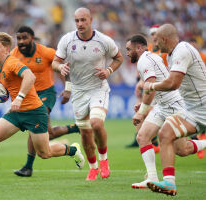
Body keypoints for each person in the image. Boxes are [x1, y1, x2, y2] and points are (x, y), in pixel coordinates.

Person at [0, 32, 84, 186]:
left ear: (7, 50)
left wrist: (20, 98)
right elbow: (7, 95)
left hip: (35, 112)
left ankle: (73, 150)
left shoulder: (12, 63)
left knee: (44, 153)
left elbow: (30, 77)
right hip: (16, 113)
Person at [52, 7, 123, 181]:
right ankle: (93, 168)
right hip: (78, 91)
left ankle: (104, 160)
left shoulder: (104, 40)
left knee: (96, 124)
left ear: (91, 20)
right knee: (85, 133)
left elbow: (119, 58)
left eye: (83, 20)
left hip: (98, 88)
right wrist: (60, 67)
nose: (80, 24)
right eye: (77, 21)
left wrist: (108, 71)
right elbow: (55, 62)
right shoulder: (67, 40)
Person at [126, 34, 202, 189]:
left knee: (182, 149)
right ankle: (151, 179)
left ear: (139, 48)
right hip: (162, 106)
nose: (127, 53)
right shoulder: (150, 57)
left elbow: (151, 88)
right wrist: (146, 106)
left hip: (175, 105)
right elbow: (156, 86)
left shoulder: (144, 60)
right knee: (142, 136)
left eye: (129, 49)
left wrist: (141, 111)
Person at [143, 24, 206, 196]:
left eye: (156, 40)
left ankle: (169, 183)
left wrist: (151, 86)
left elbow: (173, 83)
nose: (154, 43)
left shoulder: (182, 50)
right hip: (192, 108)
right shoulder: (171, 55)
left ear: (164, 39)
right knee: (180, 149)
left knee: (165, 133)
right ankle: (169, 183)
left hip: (202, 106)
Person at [10, 26, 80, 177]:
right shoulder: (13, 55)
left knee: (34, 124)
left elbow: (64, 67)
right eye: (19, 38)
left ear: (32, 38)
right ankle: (76, 128)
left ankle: (28, 167)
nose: (21, 41)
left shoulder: (46, 52)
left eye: (24, 38)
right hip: (29, 96)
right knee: (49, 133)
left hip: (46, 93)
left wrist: (67, 88)